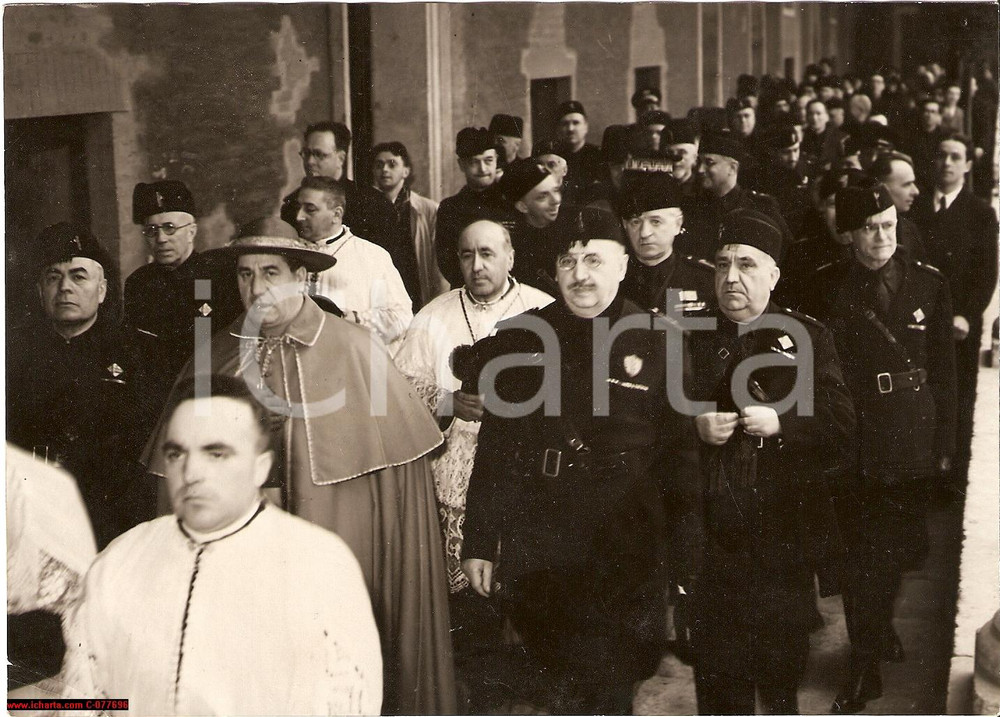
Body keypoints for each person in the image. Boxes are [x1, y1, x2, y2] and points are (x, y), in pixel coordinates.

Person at [147, 218, 456, 714]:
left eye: (271, 272)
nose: (256, 288)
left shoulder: (356, 350)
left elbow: (401, 495)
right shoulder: (213, 355)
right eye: (246, 275)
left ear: (301, 277)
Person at [461, 206, 700, 714]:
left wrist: (684, 552)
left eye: (594, 260)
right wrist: (480, 540)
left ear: (622, 265)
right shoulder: (522, 337)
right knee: (555, 673)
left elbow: (680, 457)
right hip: (542, 538)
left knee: (612, 681)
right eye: (568, 262)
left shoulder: (660, 339)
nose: (581, 275)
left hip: (627, 538)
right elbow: (497, 449)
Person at [62, 376, 382, 715]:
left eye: (216, 453)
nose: (191, 472)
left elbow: (350, 703)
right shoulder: (121, 560)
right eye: (176, 454)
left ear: (261, 468)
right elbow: (84, 697)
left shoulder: (319, 564)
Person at [687, 210, 855, 715]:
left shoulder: (805, 337)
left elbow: (841, 424)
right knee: (717, 673)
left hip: (781, 534)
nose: (731, 277)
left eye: (746, 265)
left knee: (780, 671)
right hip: (712, 536)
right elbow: (654, 419)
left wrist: (783, 424)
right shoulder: (688, 337)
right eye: (721, 265)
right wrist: (694, 424)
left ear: (774, 275)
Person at [795, 186, 956, 713]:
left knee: (892, 551)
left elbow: (945, 374)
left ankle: (876, 629)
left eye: (889, 224)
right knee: (858, 553)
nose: (883, 236)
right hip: (851, 435)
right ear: (848, 234)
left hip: (909, 434)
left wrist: (945, 445)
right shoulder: (826, 287)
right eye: (870, 227)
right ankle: (864, 663)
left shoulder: (929, 284)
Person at [7, 223, 162, 550]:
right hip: (35, 520)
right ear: (40, 292)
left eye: (79, 276)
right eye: (53, 277)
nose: (65, 287)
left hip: (115, 523)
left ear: (102, 290)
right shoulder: (14, 359)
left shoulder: (138, 356)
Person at [911, 134, 998, 495]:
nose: (947, 163)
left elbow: (987, 273)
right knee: (920, 393)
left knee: (957, 395)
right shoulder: (916, 209)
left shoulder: (980, 212)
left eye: (955, 157)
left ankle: (952, 479)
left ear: (966, 165)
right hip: (917, 320)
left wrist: (967, 314)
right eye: (942, 156)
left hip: (959, 324)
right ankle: (921, 471)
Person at [124, 180, 242, 376]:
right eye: (152, 231)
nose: (161, 239)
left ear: (191, 232)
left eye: (169, 228)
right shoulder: (139, 283)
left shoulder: (217, 276)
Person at [293, 175, 413, 353]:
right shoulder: (291, 254)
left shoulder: (372, 257)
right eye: (299, 208)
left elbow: (401, 318)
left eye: (310, 210)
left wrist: (351, 319)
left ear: (336, 214)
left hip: (353, 361)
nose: (299, 217)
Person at [280, 120, 398, 258]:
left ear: (341, 158)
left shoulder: (374, 204)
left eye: (319, 154)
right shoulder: (291, 206)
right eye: (306, 153)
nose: (310, 162)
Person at [681, 132, 792, 262]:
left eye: (709, 163)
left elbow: (786, 252)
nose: (700, 169)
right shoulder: (692, 207)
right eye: (699, 162)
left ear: (732, 168)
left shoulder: (760, 206)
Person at [618, 172, 714, 316]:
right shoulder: (614, 278)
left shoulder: (705, 280)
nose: (644, 233)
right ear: (625, 225)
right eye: (635, 222)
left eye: (655, 222)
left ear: (677, 224)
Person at [372, 140, 447, 309]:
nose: (384, 170)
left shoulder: (428, 210)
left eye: (392, 164)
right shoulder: (367, 210)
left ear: (406, 170)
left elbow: (437, 266)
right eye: (379, 165)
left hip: (418, 293)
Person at [436, 127, 513, 287]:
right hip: (467, 291)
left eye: (488, 160)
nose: (483, 169)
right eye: (474, 162)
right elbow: (446, 261)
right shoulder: (450, 208)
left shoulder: (512, 203)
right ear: (461, 165)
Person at [498, 158, 567, 290]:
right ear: (522, 206)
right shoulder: (514, 246)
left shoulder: (571, 224)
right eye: (543, 196)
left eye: (556, 190)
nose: (556, 200)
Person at [554, 100, 603, 191]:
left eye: (576, 123)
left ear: (586, 127)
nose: (570, 129)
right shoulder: (554, 157)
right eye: (565, 124)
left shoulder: (599, 156)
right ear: (558, 129)